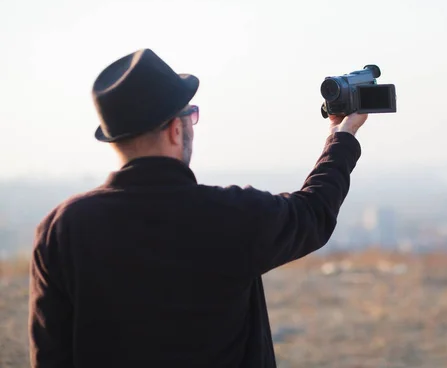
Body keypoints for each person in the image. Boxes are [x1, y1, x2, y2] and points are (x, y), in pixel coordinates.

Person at [28, 49, 367, 368]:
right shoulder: (230, 215)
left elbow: (49, 354)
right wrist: (342, 135)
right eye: (192, 115)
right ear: (176, 129)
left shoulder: (62, 229)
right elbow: (312, 213)